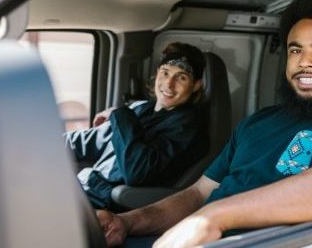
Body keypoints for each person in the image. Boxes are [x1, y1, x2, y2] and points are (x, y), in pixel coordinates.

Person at [96, 0, 312, 247]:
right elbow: (198, 194)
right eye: (296, 50)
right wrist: (127, 222)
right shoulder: (255, 123)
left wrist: (216, 217)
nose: (305, 62)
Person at [66, 42, 209, 210]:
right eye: (165, 73)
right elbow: (87, 142)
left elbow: (137, 171)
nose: (169, 84)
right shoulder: (140, 109)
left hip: (104, 204)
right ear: (157, 74)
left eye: (181, 77)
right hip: (82, 188)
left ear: (196, 85)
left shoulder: (188, 129)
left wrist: (119, 114)